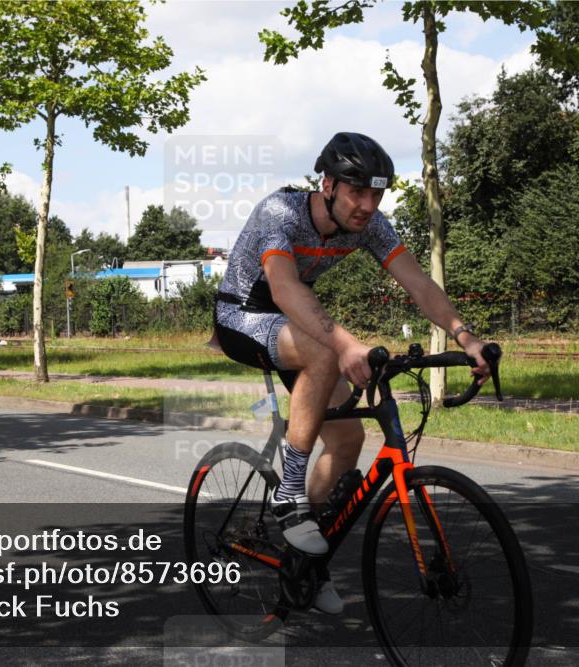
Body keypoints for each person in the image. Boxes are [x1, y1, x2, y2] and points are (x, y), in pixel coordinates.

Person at [213, 132, 490, 613]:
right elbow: (282, 290)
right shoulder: (280, 213)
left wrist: (466, 337)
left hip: (290, 320)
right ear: (327, 185)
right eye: (356, 193)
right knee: (325, 354)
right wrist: (344, 345)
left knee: (347, 442)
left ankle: (301, 562)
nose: (366, 205)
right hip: (242, 314)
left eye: (376, 194)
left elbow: (419, 283)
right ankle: (290, 495)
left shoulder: (370, 225)